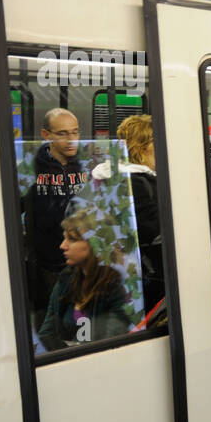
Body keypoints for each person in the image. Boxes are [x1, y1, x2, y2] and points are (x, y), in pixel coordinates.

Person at [38, 204, 135, 351]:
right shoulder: (67, 279)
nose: (63, 246)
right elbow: (46, 333)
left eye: (72, 239)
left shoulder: (118, 287)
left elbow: (111, 346)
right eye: (64, 238)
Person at [24, 108, 88, 313]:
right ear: (46, 135)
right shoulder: (30, 170)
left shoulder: (88, 166)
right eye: (62, 133)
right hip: (50, 263)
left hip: (84, 261)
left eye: (75, 132)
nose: (71, 140)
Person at [100, 114, 163, 314]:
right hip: (142, 273)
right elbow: (152, 229)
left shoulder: (113, 176)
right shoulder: (135, 182)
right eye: (156, 140)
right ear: (142, 147)